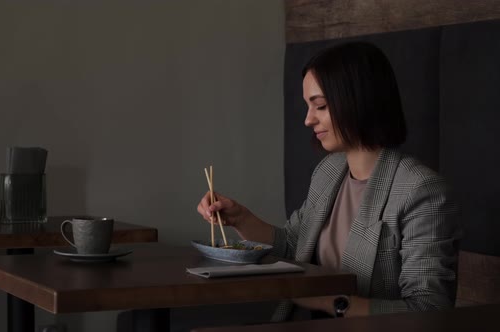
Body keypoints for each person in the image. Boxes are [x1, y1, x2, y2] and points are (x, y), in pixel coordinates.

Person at [197, 42, 460, 321]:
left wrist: (328, 301)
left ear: (357, 100)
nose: (308, 120)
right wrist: (240, 218)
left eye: (320, 106)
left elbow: (431, 311)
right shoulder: (329, 171)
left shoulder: (421, 191)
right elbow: (292, 247)